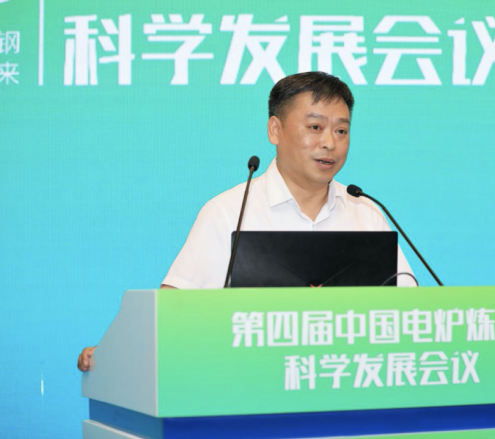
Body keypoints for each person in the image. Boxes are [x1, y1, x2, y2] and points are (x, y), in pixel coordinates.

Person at [78, 71, 414, 371]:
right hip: (248, 385)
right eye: (315, 127)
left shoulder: (366, 213)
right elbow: (171, 310)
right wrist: (115, 353)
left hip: (346, 382)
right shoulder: (229, 211)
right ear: (275, 130)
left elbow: (412, 313)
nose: (330, 143)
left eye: (341, 130)